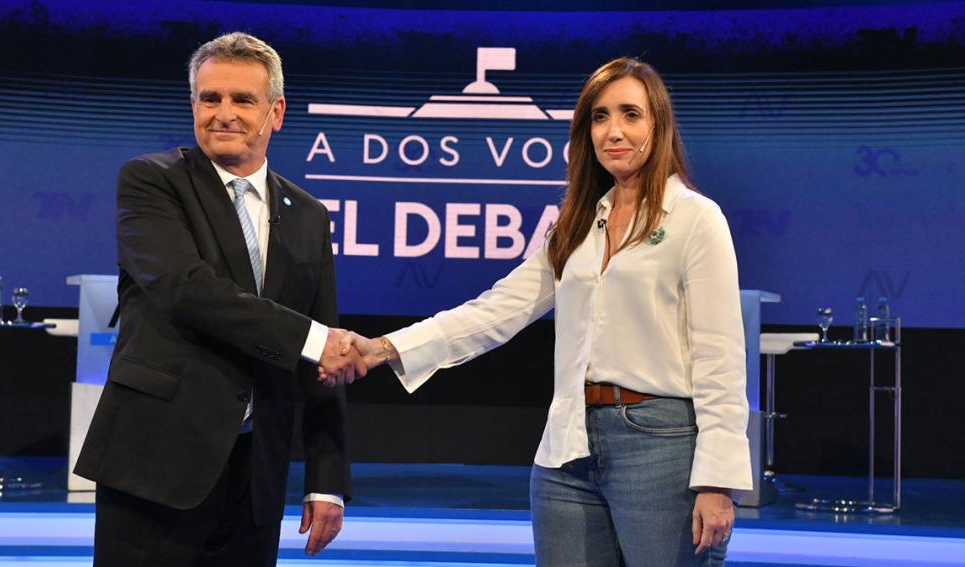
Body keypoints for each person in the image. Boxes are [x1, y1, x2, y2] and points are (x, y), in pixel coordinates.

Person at [328, 57, 752, 566]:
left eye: (631, 114)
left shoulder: (696, 219)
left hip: (661, 447)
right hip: (566, 449)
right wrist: (382, 349)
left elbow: (721, 360)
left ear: (658, 126)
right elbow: (494, 312)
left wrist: (717, 480)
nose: (614, 131)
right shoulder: (577, 223)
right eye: (599, 117)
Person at [75, 32, 365, 566]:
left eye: (242, 100)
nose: (223, 113)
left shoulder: (308, 215)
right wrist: (314, 340)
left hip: (256, 477)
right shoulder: (152, 182)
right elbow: (185, 288)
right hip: (154, 465)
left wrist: (327, 478)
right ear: (193, 105)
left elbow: (322, 359)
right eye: (210, 98)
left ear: (276, 112)